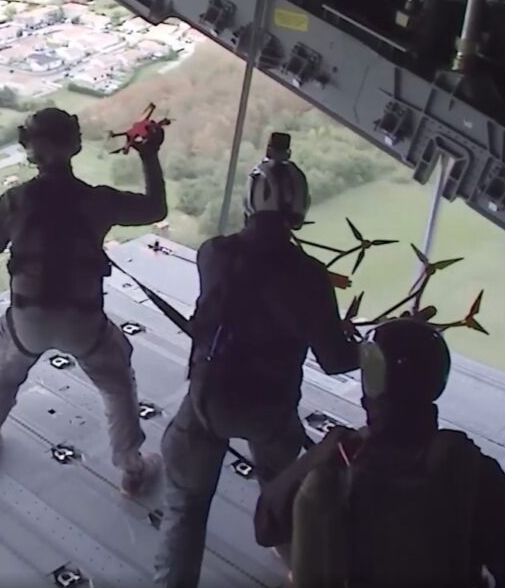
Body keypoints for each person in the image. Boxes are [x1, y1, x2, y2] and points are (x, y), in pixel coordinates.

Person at [154, 132, 361, 588]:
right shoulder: (308, 278)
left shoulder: (213, 253)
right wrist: (368, 348)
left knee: (186, 512)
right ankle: (297, 570)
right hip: (270, 411)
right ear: (298, 209)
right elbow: (334, 359)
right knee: (286, 502)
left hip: (206, 402)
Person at [255, 319, 505, 588]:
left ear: (370, 381)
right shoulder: (475, 471)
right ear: (437, 383)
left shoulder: (336, 455)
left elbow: (267, 523)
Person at [0, 107, 167, 497]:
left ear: (30, 150)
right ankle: (131, 468)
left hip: (28, 320)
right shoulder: (98, 202)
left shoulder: (14, 202)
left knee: (3, 380)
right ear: (74, 145)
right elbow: (155, 209)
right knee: (116, 385)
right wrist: (148, 155)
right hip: (83, 321)